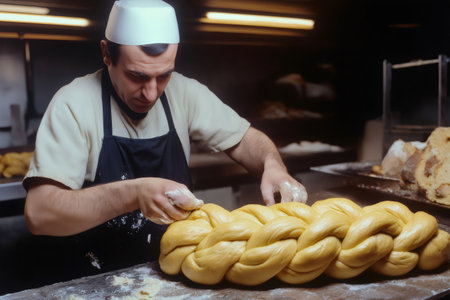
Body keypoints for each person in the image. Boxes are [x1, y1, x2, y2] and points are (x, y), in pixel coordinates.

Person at [23, 0, 307, 280]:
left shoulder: (184, 93)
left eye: (164, 76)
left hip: (176, 276)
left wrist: (273, 165)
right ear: (107, 53)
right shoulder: (73, 105)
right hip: (97, 278)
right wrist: (135, 194)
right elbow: (40, 213)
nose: (151, 93)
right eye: (137, 76)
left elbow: (247, 140)